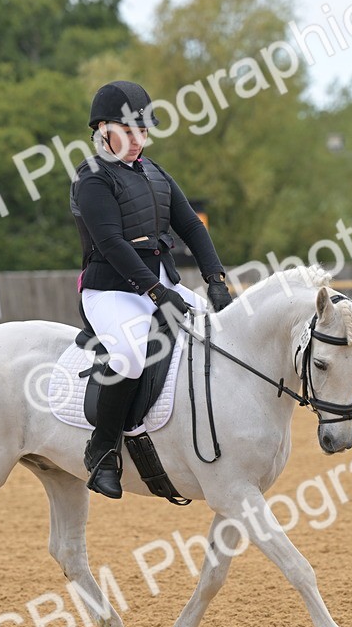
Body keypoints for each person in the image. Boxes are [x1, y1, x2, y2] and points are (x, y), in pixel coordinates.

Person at [70, 80, 233, 499]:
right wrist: (158, 295)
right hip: (111, 290)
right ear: (103, 129)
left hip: (159, 283)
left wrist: (216, 281)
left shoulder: (155, 172)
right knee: (129, 354)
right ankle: (103, 450)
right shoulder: (91, 178)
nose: (138, 140)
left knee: (223, 331)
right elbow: (111, 243)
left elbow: (192, 226)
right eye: (128, 132)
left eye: (143, 131)